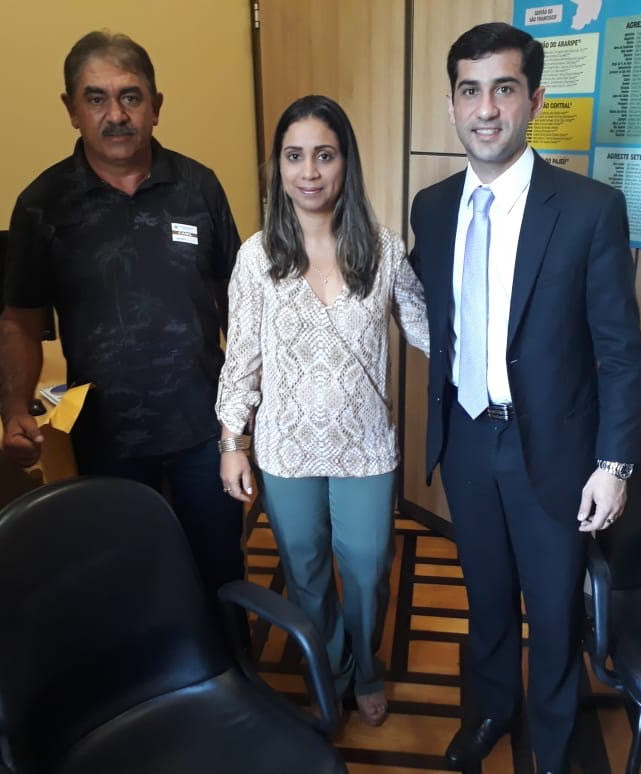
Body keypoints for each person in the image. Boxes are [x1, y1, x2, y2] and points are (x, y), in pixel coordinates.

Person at [408, 22, 641, 773]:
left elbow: (621, 351)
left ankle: (551, 740)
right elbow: (427, 309)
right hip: (465, 436)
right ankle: (489, 711)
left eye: (504, 89)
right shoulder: (431, 207)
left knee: (552, 608)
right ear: (452, 103)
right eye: (470, 91)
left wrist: (614, 464)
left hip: (554, 448)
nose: (486, 109)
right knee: (484, 597)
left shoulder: (588, 208)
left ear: (535, 100)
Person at [0, 31, 245, 605]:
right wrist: (15, 410)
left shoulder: (198, 187)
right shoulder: (43, 204)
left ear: (156, 105)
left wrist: (255, 398)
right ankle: (146, 661)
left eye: (131, 97)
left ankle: (230, 656)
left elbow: (238, 299)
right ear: (71, 109)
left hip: (203, 426)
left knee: (220, 566)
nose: (116, 115)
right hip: (106, 436)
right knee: (128, 575)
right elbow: (20, 320)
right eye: (97, 98)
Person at [216, 95, 429, 726]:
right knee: (305, 570)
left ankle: (366, 669)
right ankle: (330, 669)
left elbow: (428, 330)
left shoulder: (382, 251)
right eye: (294, 156)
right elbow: (242, 358)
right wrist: (232, 442)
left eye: (324, 155)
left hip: (364, 444)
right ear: (278, 167)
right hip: (286, 445)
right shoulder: (256, 257)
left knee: (367, 567)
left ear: (346, 163)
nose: (309, 172)